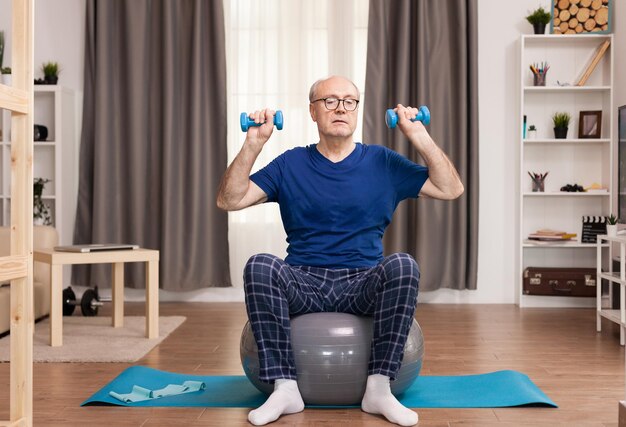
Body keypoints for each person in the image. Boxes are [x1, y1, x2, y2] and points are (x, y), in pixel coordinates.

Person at [217, 76, 464, 426]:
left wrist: (417, 135)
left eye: (349, 101)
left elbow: (451, 188)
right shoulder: (291, 163)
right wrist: (253, 144)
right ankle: (285, 388)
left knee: (404, 265)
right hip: (303, 280)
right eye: (330, 101)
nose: (340, 108)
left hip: (363, 282)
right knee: (259, 265)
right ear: (313, 112)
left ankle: (379, 388)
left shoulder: (383, 162)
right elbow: (229, 200)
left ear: (357, 110)